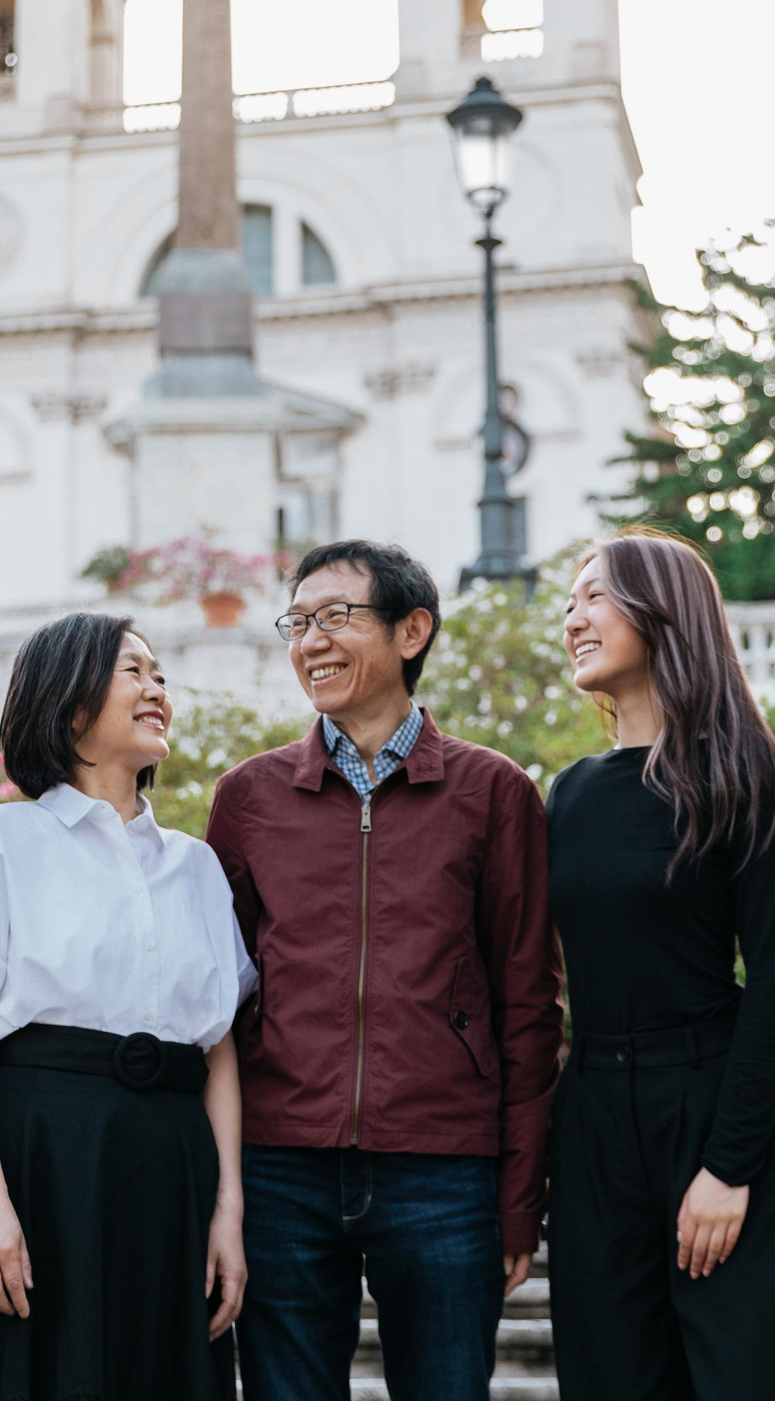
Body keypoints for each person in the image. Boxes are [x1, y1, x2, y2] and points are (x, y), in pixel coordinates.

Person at [207, 540, 562, 1401]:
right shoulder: (248, 799)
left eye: (337, 617)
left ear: (412, 630)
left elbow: (527, 1003)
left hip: (445, 1167)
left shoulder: (493, 791)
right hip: (280, 1163)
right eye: (298, 620)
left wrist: (519, 1197)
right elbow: (214, 1000)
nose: (310, 640)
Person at [0, 613, 252, 1401]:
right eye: (133, 670)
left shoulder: (196, 866)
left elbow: (220, 1048)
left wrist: (229, 1209)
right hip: (44, 1160)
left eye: (161, 672)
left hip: (172, 1169)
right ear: (68, 706)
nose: (157, 686)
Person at [547, 529, 775, 1399]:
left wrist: (729, 1165)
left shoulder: (738, 774)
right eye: (570, 600)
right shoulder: (570, 792)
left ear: (660, 611)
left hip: (709, 1109)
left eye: (595, 594)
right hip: (592, 1121)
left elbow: (773, 982)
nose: (574, 616)